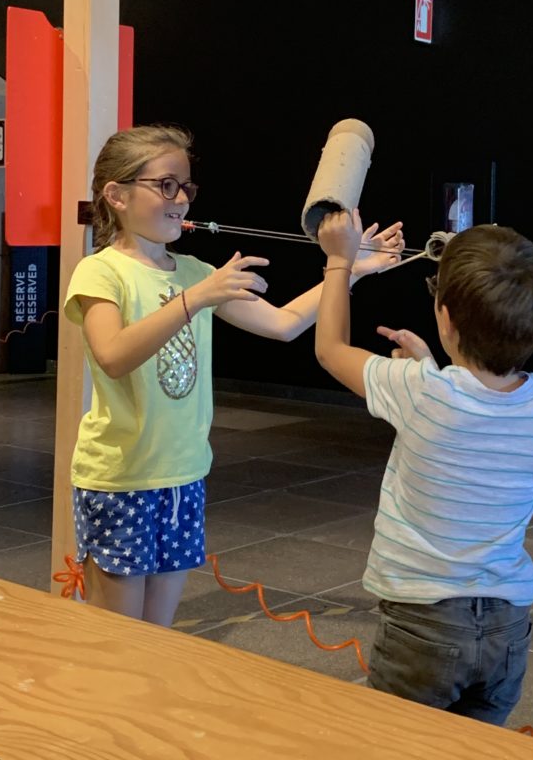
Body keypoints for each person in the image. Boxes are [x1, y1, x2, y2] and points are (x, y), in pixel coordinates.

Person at [64, 124, 403, 627]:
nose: (182, 199)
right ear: (116, 195)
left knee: (157, 636)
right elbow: (112, 355)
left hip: (184, 478)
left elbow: (284, 324)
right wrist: (194, 299)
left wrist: (348, 268)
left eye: (186, 186)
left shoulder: (195, 273)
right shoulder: (101, 272)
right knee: (117, 637)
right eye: (166, 185)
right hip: (120, 480)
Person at [314, 212, 533, 726]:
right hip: (507, 628)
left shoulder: (422, 391)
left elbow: (330, 349)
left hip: (422, 624)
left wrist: (339, 262)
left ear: (444, 317)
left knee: (401, 743)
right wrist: (427, 369)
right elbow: (472, 404)